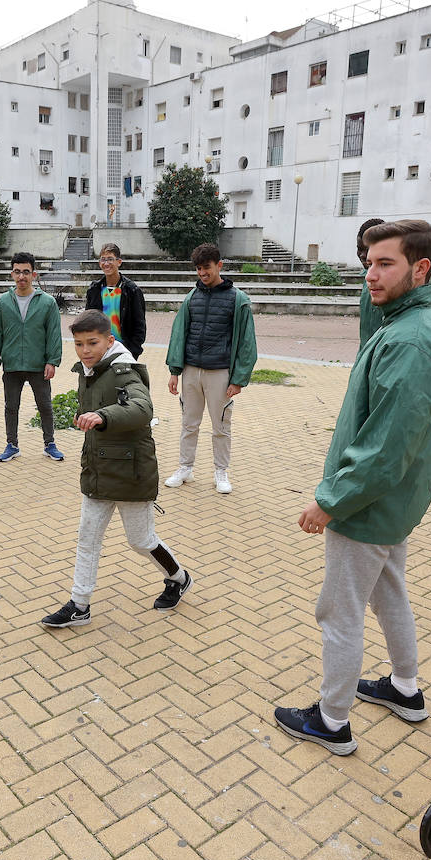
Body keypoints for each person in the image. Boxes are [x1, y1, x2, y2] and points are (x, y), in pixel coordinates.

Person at [275, 219, 431, 756]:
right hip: (392, 505)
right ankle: (405, 689)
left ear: (420, 268)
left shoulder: (407, 340)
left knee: (340, 610)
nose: (370, 275)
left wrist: (329, 502)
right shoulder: (407, 322)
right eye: (367, 263)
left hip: (369, 505)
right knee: (388, 592)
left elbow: (384, 451)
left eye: (385, 264)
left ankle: (332, 721)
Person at [40, 310, 192, 628]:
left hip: (130, 470)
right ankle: (79, 605)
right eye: (79, 344)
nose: (85, 350)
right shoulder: (91, 369)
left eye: (92, 343)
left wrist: (102, 416)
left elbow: (141, 407)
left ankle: (178, 577)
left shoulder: (123, 369)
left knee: (141, 540)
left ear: (109, 340)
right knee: (87, 538)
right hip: (98, 469)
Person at [164, 242, 258, 494]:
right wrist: (175, 371)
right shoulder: (191, 297)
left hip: (220, 372)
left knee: (221, 425)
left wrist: (238, 379)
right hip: (191, 371)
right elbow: (179, 334)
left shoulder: (238, 299)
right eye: (198, 269)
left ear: (219, 265)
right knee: (188, 423)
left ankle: (221, 472)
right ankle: (185, 468)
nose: (202, 273)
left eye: (206, 268)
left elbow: (247, 343)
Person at [0, 252, 65, 462]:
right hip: (12, 364)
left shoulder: (47, 302)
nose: (22, 276)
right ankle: (12, 445)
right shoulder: (4, 301)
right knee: (11, 407)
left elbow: (54, 334)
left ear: (34, 274)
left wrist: (52, 361)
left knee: (45, 406)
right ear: (12, 274)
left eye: (26, 272)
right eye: (17, 272)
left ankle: (50, 444)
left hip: (38, 364)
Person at [84, 242, 147, 360]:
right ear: (99, 263)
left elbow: (140, 325)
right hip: (99, 350)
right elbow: (88, 321)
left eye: (110, 259)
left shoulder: (132, 290)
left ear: (119, 262)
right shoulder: (94, 290)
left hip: (123, 351)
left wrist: (133, 352)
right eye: (103, 259)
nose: (106, 263)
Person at [356, 217, 386, 348]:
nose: (362, 255)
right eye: (359, 248)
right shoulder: (367, 279)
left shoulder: (394, 281)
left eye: (367, 249)